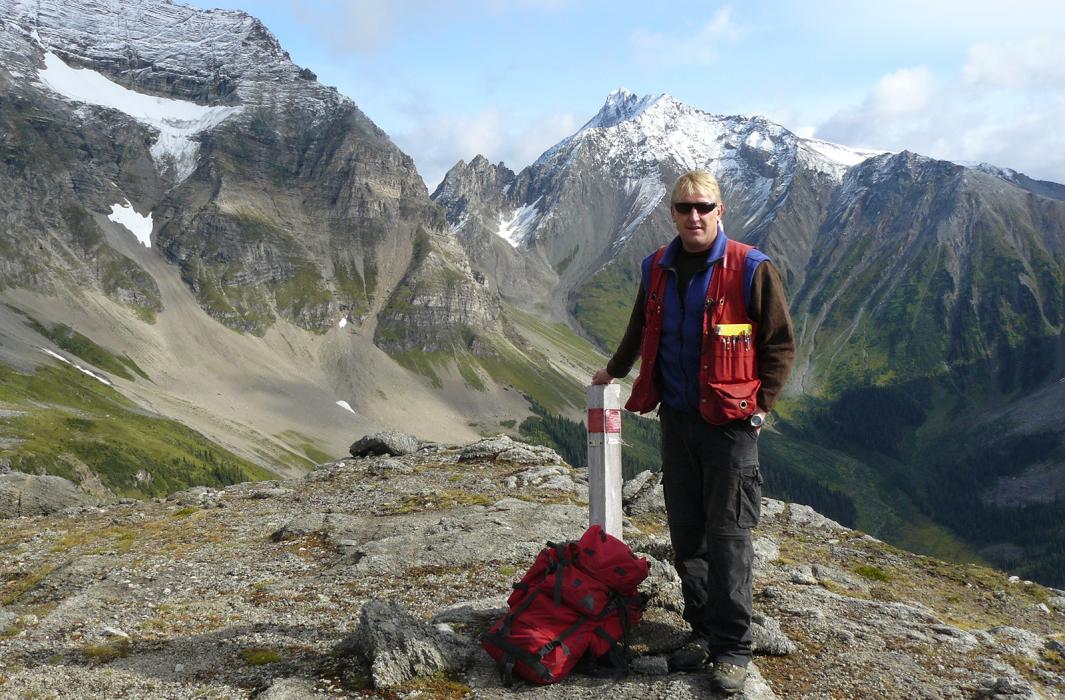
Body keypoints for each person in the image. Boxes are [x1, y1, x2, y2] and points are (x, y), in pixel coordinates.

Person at [592, 170, 795, 695]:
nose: (694, 216)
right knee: (686, 534)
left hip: (730, 428)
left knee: (728, 538)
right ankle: (704, 632)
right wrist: (614, 371)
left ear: (720, 210)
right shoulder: (656, 266)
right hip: (677, 420)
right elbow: (640, 326)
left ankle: (734, 649)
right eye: (684, 208)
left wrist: (759, 408)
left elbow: (779, 345)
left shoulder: (751, 268)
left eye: (703, 206)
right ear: (673, 213)